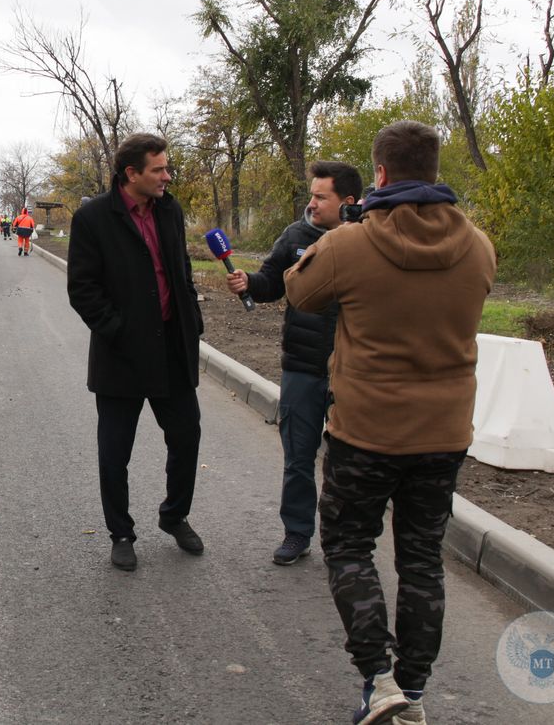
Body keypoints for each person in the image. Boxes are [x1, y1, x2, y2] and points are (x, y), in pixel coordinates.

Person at [284, 121, 496, 725]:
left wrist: (330, 234)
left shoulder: (351, 244)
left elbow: (299, 293)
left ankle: (379, 680)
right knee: (423, 559)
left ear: (378, 174)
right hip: (445, 434)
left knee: (349, 546)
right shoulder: (478, 245)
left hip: (366, 433)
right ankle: (416, 694)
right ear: (433, 171)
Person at [67, 133, 205, 572]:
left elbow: (179, 268)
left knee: (187, 436)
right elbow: (82, 289)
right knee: (115, 451)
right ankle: (121, 532)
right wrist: (118, 331)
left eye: (166, 168)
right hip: (122, 356)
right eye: (159, 169)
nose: (167, 176)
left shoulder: (170, 209)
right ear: (132, 174)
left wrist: (192, 321)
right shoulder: (92, 218)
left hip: (173, 349)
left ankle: (174, 515)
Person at [226, 161, 362, 567]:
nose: (313, 203)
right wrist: (250, 282)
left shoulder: (371, 238)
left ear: (348, 202)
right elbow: (271, 281)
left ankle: (345, 542)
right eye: (312, 194)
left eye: (322, 197)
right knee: (299, 457)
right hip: (302, 366)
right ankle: (297, 533)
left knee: (349, 463)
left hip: (355, 373)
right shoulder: (296, 235)